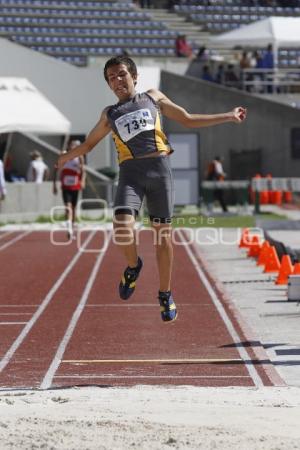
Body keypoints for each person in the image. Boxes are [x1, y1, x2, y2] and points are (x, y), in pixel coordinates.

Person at [56, 55, 247, 323]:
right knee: (122, 227)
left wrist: (227, 115)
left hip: (160, 173)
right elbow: (88, 145)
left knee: (163, 239)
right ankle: (134, 267)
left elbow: (189, 119)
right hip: (130, 174)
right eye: (111, 78)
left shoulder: (153, 97)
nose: (117, 81)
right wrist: (66, 157)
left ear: (134, 76)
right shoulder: (110, 114)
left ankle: (165, 294)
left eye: (121, 74)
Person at [53, 139, 86, 240]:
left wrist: (83, 181)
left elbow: (83, 171)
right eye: (72, 145)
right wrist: (54, 184)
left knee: (74, 208)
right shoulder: (64, 155)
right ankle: (69, 229)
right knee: (68, 207)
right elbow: (56, 169)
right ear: (69, 146)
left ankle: (72, 226)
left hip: (75, 185)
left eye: (75, 146)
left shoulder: (79, 156)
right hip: (65, 186)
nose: (74, 147)